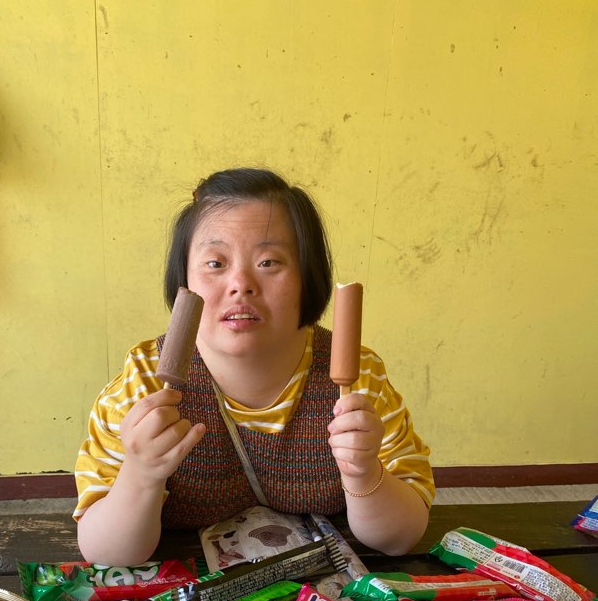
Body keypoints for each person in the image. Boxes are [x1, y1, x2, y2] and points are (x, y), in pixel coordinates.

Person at [74, 168, 434, 565]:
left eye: (268, 261)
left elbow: (401, 538)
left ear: (308, 277)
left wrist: (365, 473)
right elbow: (106, 553)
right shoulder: (143, 381)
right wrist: (141, 474)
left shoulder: (359, 378)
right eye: (215, 263)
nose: (241, 283)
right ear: (183, 281)